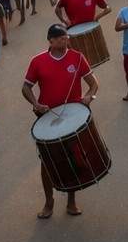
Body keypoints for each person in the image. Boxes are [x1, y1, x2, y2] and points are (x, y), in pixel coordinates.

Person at [22, 23, 99, 219]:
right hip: (47, 120)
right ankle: (49, 202)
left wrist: (89, 96)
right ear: (51, 41)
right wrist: (36, 103)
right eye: (61, 38)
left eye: (66, 37)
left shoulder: (77, 57)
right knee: (47, 163)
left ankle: (71, 201)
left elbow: (93, 84)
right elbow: (26, 87)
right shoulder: (38, 61)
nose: (65, 41)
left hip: (73, 118)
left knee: (73, 160)